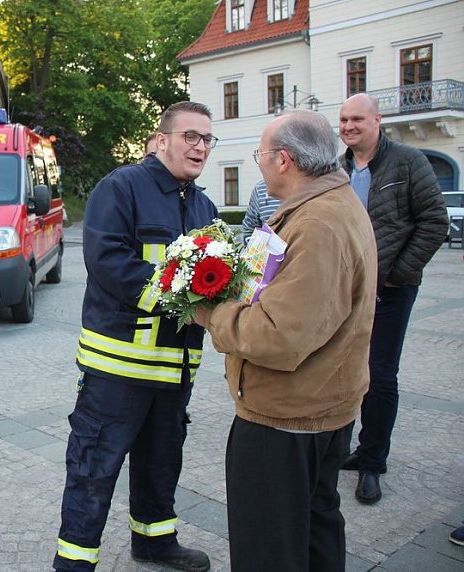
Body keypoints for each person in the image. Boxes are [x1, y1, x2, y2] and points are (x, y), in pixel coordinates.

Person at [196, 110, 378, 571]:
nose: (258, 163)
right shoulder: (325, 204)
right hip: (313, 408)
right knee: (314, 526)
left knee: (269, 545)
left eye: (261, 154)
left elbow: (279, 336)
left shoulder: (318, 223)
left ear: (285, 160)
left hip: (286, 418)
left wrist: (211, 313)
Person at [53, 101, 217, 572]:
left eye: (207, 139)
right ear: (162, 139)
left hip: (174, 368)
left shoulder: (203, 204)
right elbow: (107, 261)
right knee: (93, 466)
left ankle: (155, 540)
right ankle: (74, 561)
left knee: (161, 461)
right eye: (190, 136)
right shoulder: (120, 187)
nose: (200, 146)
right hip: (117, 368)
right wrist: (180, 302)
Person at [337, 93, 448, 505]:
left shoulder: (407, 161)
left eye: (357, 119)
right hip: (345, 290)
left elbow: (435, 221)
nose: (349, 126)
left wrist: (398, 274)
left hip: (391, 290)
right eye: (344, 120)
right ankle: (344, 450)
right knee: (343, 370)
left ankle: (372, 463)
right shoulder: (339, 167)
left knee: (379, 376)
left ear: (377, 121)